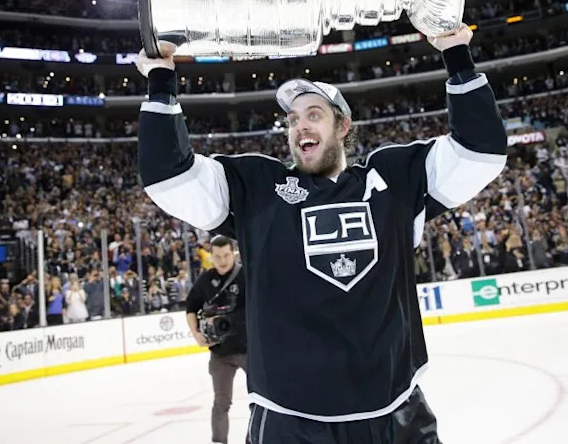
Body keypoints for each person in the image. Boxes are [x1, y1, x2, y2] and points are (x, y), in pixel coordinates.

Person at [136, 25, 507, 443]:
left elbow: (481, 153)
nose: (299, 127)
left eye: (314, 115)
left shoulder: (394, 181)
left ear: (343, 125)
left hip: (393, 413)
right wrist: (161, 82)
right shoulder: (258, 188)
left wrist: (457, 54)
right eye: (293, 119)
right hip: (288, 420)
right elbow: (169, 177)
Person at [185, 235, 248, 444]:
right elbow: (191, 307)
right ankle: (219, 441)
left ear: (234, 253)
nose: (223, 260)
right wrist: (196, 334)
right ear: (211, 256)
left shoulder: (245, 275)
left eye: (227, 255)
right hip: (221, 353)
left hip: (251, 351)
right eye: (218, 256)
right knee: (221, 402)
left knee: (262, 400)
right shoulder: (205, 280)